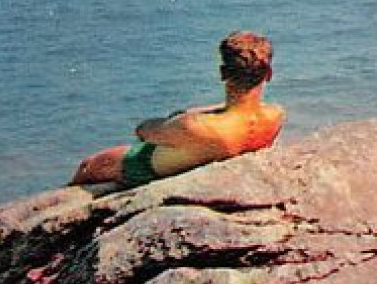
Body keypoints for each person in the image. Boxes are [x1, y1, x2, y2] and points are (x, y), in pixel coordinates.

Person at [71, 31, 285, 190]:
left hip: (144, 166)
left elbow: (143, 131)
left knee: (87, 166)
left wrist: (181, 116)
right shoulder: (275, 116)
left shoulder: (195, 125)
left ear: (222, 73)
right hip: (197, 152)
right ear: (268, 73)